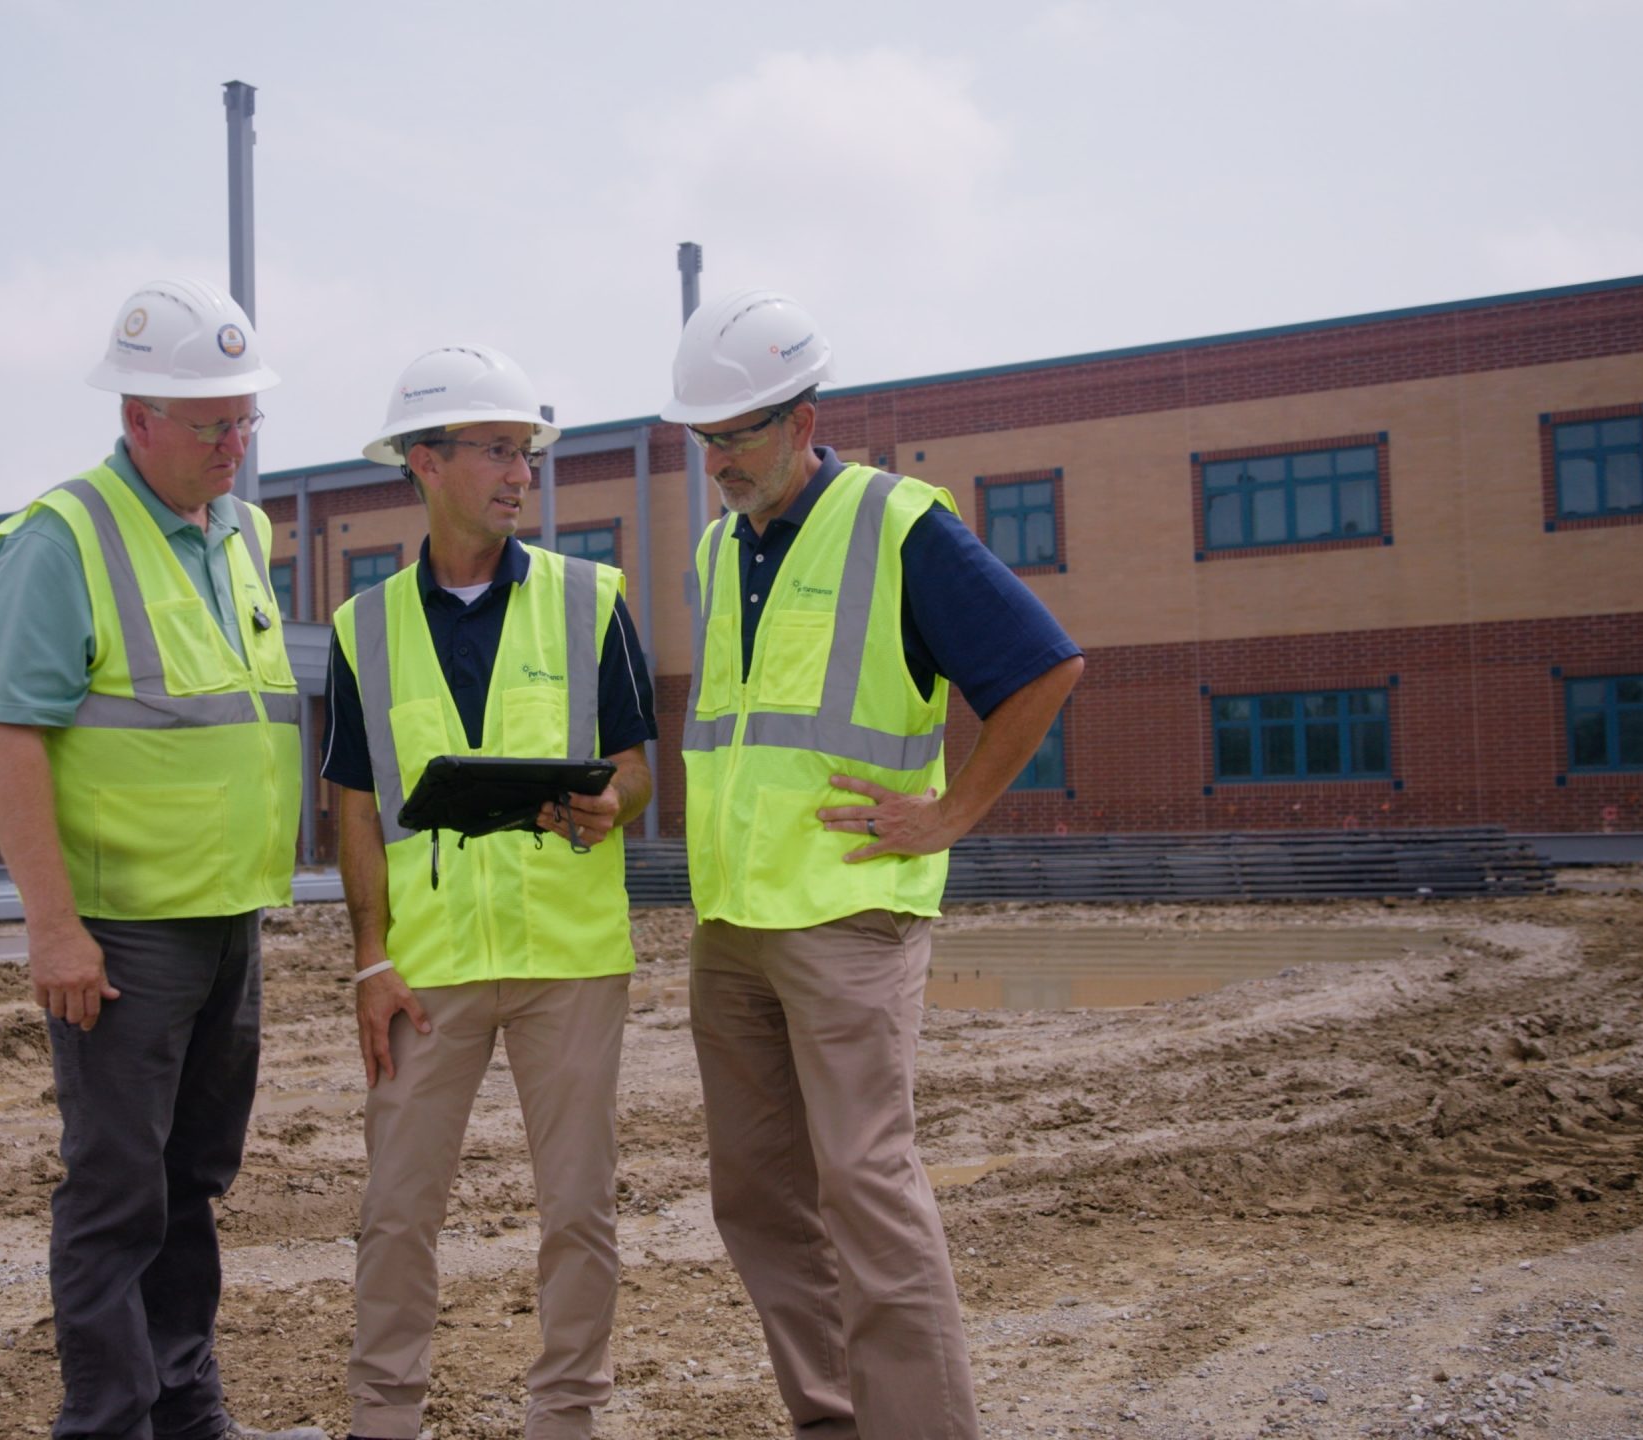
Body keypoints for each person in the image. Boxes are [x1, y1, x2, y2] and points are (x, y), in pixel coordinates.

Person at [664, 291, 1084, 1440]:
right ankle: (832, 1420)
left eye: (738, 434)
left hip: (850, 919)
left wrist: (951, 812)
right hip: (733, 925)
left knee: (866, 1187)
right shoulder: (716, 550)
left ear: (804, 419)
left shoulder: (898, 524)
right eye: (703, 440)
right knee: (755, 1197)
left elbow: (1041, 666)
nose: (719, 463)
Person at [0, 277, 324, 1440]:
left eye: (245, 419)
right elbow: (7, 735)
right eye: (213, 423)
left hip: (227, 921)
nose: (237, 443)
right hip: (122, 937)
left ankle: (189, 1417)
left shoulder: (238, 530)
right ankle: (109, 1424)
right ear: (139, 420)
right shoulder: (61, 540)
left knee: (190, 1186)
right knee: (119, 1193)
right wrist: (52, 926)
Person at [323, 345, 657, 1440]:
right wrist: (369, 962)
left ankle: (566, 1418)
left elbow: (639, 765)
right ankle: (385, 1420)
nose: (521, 474)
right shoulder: (360, 630)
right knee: (396, 1211)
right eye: (499, 451)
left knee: (579, 1212)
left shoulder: (589, 600)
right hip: (424, 971)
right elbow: (355, 806)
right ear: (426, 461)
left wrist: (611, 802)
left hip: (568, 959)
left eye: (527, 454)